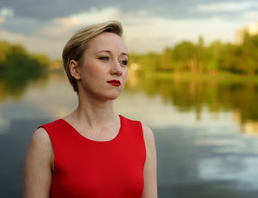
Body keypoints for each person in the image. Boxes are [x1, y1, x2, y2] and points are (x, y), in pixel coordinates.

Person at [23, 21, 158, 198]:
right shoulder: (46, 140)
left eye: (123, 61)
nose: (118, 69)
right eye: (104, 58)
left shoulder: (142, 135)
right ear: (75, 69)